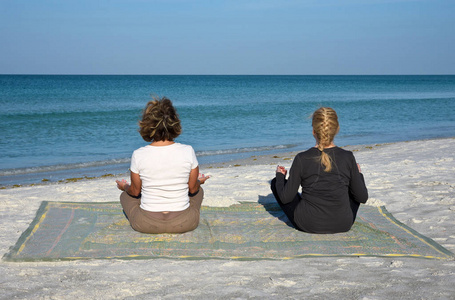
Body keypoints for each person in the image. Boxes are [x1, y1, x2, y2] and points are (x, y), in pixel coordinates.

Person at [116, 97, 210, 234]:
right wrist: (198, 182)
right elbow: (193, 189)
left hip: (146, 224)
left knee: (126, 196)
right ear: (175, 124)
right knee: (198, 191)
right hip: (184, 223)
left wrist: (124, 186)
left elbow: (135, 191)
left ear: (147, 125)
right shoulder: (188, 151)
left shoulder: (138, 154)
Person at [271, 107, 368, 234]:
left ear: (313, 131)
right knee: (354, 185)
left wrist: (280, 177)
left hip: (308, 224)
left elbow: (285, 198)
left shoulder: (302, 158)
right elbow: (362, 197)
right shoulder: (347, 157)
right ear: (337, 129)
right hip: (343, 224)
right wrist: (358, 175)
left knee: (275, 182)